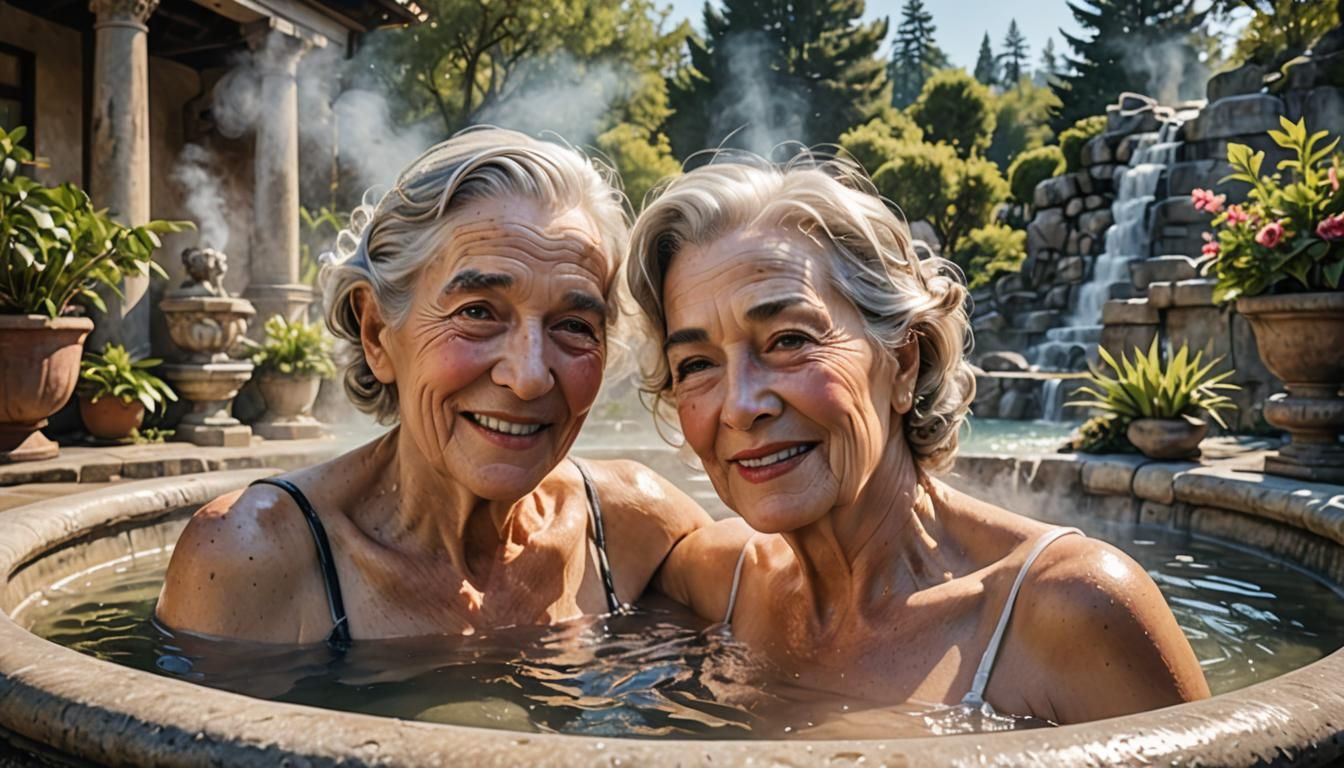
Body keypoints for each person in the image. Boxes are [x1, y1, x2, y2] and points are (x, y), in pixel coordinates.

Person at [628, 155, 1210, 725]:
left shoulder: (1072, 610)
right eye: (697, 364)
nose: (740, 405)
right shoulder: (718, 581)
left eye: (788, 340)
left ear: (903, 362)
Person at [157, 129, 710, 645]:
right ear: (376, 332)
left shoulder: (633, 526)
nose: (528, 376)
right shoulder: (254, 560)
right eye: (477, 312)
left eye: (573, 326)